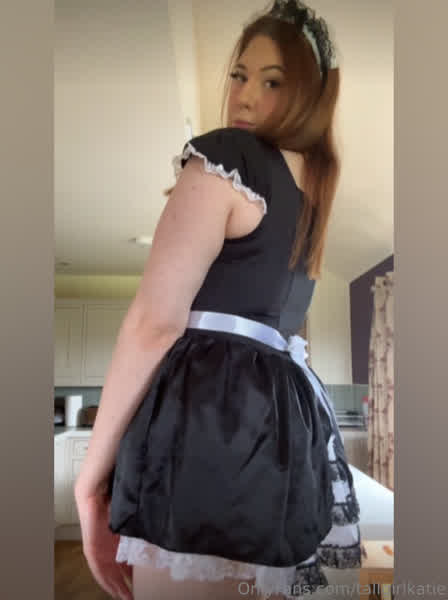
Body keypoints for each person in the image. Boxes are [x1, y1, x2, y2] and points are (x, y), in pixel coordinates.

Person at [74, 1, 362, 598]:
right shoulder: (309, 197)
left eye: (273, 82)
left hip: (205, 415)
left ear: (309, 96)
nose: (245, 97)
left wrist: (88, 481)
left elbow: (153, 324)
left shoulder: (227, 158)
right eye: (240, 75)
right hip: (283, 429)